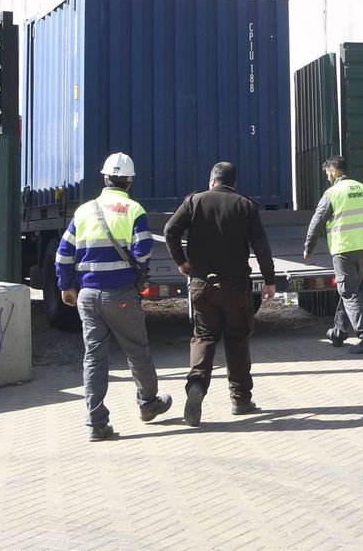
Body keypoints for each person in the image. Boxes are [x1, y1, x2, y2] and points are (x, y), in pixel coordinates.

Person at [55, 151, 172, 441]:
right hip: (120, 295)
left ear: (106, 178)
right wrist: (136, 269)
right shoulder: (134, 210)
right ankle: (147, 404)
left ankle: (96, 423)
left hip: (88, 295)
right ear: (129, 182)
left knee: (94, 358)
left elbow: (63, 255)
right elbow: (144, 249)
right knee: (137, 351)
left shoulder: (83, 211)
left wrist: (67, 286)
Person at [164, 161, 276, 427]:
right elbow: (261, 246)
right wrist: (270, 281)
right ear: (233, 182)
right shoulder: (245, 206)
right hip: (236, 287)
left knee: (203, 335)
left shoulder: (194, 202)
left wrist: (181, 262)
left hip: (202, 285)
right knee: (237, 339)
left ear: (211, 180)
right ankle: (240, 399)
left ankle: (196, 387)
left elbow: (170, 230)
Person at [303, 156, 363, 354]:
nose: (327, 176)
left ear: (333, 170)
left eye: (327, 172)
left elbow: (317, 222)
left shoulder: (333, 193)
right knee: (351, 291)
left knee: (349, 293)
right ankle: (338, 332)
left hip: (343, 249)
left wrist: (308, 248)